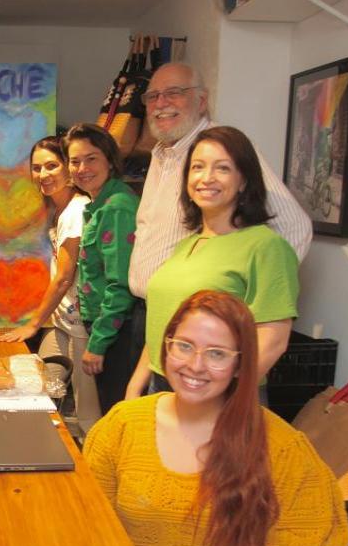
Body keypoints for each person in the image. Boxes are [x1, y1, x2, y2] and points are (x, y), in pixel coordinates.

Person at [84, 291, 348, 546]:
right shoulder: (122, 426)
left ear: (240, 364)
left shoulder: (282, 449)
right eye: (184, 345)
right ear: (166, 347)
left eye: (217, 354)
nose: (195, 365)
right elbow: (95, 534)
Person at [128, 62, 311, 359]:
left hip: (202, 331)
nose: (161, 103)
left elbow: (295, 227)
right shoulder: (163, 154)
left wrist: (239, 303)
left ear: (201, 100)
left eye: (174, 93)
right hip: (154, 317)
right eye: (153, 96)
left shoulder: (223, 146)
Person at [126, 126, 298, 399]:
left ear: (243, 181)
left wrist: (224, 398)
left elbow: (272, 338)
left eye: (222, 168)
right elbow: (163, 322)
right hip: (163, 385)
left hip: (220, 393)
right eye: (197, 167)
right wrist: (136, 384)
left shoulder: (265, 246)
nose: (206, 178)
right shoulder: (186, 245)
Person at [0, 136, 101, 430]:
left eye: (52, 166)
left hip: (81, 325)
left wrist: (32, 324)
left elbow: (65, 277)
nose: (42, 175)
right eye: (37, 168)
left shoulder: (78, 210)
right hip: (64, 322)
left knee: (87, 412)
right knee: (40, 390)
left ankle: (93, 472)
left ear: (69, 168)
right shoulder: (62, 210)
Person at [63, 123, 139, 415]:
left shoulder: (116, 207)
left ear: (109, 159)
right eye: (75, 161)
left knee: (118, 413)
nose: (82, 168)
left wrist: (98, 343)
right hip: (106, 328)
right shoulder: (98, 204)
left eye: (91, 158)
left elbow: (120, 283)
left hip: (118, 332)